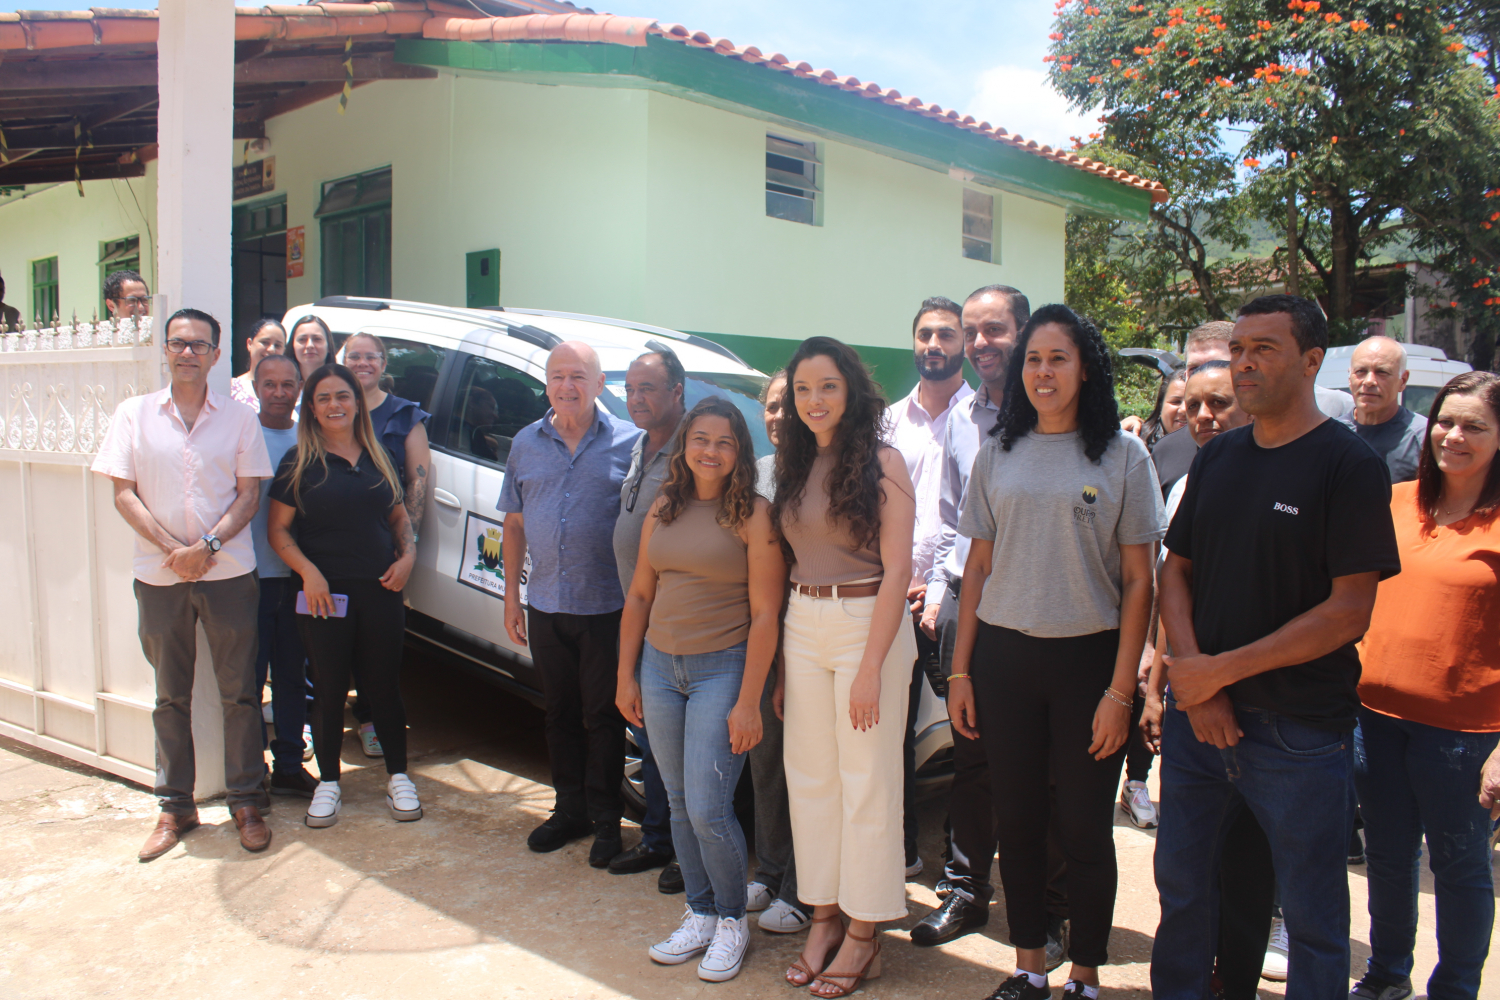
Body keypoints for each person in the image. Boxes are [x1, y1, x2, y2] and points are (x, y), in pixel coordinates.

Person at [1150, 294, 1401, 1000]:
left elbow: (1348, 611)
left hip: (1297, 733)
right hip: (1198, 729)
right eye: (1237, 349)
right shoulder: (1221, 454)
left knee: (1315, 918)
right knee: (1185, 897)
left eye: (1264, 349)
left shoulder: (1346, 465)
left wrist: (1214, 675)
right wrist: (1196, 686)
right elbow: (1178, 572)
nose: (1244, 363)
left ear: (1312, 360)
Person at [949, 304, 1163, 1000]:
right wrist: (960, 671)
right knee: (1017, 819)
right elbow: (976, 570)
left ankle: (1087, 975)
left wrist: (1121, 691)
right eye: (1033, 360)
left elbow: (1140, 582)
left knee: (1082, 829)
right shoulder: (999, 452)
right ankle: (1028, 967)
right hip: (1004, 661)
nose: (1043, 372)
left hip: (1088, 667)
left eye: (1058, 359)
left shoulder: (1124, 456)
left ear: (1085, 368)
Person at [917, 285, 1076, 963]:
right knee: (973, 758)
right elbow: (954, 519)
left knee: (1047, 770)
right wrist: (941, 596)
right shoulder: (961, 418)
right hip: (971, 609)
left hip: (1046, 615)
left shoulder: (1068, 416)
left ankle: (1049, 910)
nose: (981, 343)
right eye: (972, 332)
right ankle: (965, 888)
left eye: (995, 331)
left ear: (1026, 331)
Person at [90, 307, 274, 860]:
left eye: (199, 345)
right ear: (164, 351)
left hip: (229, 574)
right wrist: (176, 552)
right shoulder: (134, 414)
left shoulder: (240, 419)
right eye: (178, 344)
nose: (188, 352)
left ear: (218, 355)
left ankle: (246, 801)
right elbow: (124, 492)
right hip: (160, 574)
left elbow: (249, 495)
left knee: (240, 693)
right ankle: (175, 807)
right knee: (170, 696)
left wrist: (208, 548)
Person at [617, 396, 787, 982]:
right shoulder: (664, 505)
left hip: (724, 668)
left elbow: (767, 614)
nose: (710, 451)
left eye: (724, 442)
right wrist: (626, 674)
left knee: (712, 808)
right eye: (700, 439)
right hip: (661, 669)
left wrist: (749, 700)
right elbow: (639, 594)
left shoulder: (754, 515)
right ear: (685, 445)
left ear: (739, 452)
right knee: (682, 805)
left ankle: (733, 921)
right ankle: (701, 911)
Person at [773, 336, 917, 999]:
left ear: (852, 391)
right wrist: (780, 664)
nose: (813, 400)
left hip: (867, 624)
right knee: (813, 781)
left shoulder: (883, 463)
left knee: (867, 782)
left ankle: (866, 933)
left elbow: (897, 574)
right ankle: (825, 916)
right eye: (802, 389)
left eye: (826, 386)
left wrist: (871, 667)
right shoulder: (795, 463)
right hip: (803, 623)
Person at [1352, 371, 1500, 1000]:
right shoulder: (1396, 501)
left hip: (1463, 735)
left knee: (1461, 868)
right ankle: (1387, 977)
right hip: (1372, 720)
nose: (1454, 436)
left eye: (1474, 426)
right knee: (1386, 859)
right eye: (1445, 420)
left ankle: (1456, 990)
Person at [1140, 360, 1275, 1000]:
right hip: (1190, 700)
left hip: (1268, 710)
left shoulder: (1285, 475)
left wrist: (1213, 682)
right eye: (1192, 405)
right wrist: (1159, 687)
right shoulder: (1182, 483)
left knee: (1248, 864)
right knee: (1186, 870)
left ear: (1248, 401)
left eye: (1217, 403)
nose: (1202, 417)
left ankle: (1236, 982)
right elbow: (1173, 589)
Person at [499, 341, 639, 865]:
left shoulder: (631, 442)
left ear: (600, 385)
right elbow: (513, 524)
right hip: (547, 604)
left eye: (578, 376)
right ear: (546, 384)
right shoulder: (526, 443)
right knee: (558, 713)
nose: (566, 386)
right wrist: (512, 594)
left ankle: (607, 821)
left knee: (602, 718)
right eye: (557, 376)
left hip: (606, 608)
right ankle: (569, 809)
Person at [266, 363, 421, 828]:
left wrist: (408, 555)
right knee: (330, 690)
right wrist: (309, 572)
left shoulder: (378, 457)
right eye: (324, 398)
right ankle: (329, 783)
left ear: (357, 401)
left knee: (384, 688)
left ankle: (398, 777)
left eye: (343, 396)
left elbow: (397, 518)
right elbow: (277, 530)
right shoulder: (298, 462)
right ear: (311, 409)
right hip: (321, 598)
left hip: (380, 591)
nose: (335, 405)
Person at [885, 295, 974, 880]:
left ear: (964, 344)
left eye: (945, 334)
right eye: (924, 335)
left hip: (959, 600)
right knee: (890, 731)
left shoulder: (985, 417)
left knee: (969, 735)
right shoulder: (889, 420)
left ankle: (960, 865)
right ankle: (900, 850)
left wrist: (940, 586)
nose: (933, 345)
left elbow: (972, 517)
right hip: (892, 598)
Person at [609, 349, 687, 887]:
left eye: (650, 388)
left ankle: (688, 853)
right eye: (631, 388)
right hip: (640, 619)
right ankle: (658, 839)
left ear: (676, 391)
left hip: (682, 628)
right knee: (654, 739)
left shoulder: (694, 452)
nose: (637, 398)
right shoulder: (641, 445)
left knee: (685, 749)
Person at [342, 331, 434, 757]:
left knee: (375, 640)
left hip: (384, 541)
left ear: (383, 364)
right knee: (326, 632)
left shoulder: (404, 416)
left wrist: (407, 545)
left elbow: (417, 482)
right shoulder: (330, 406)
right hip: (332, 540)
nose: (363, 363)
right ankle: (316, 715)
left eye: (371, 357)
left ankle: (370, 717)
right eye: (354, 356)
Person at [744, 369, 811, 934]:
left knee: (805, 767)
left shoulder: (822, 475)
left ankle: (802, 888)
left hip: (811, 640)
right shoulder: (756, 476)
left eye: (791, 405)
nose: (780, 416)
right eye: (771, 405)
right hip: (760, 642)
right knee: (766, 762)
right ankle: (770, 870)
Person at [248, 353, 317, 797]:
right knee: (247, 681)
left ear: (299, 388)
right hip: (246, 579)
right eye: (269, 384)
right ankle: (251, 770)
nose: (278, 393)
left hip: (294, 578)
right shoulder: (239, 434)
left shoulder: (309, 439)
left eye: (287, 384)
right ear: (255, 387)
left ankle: (290, 765)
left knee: (293, 677)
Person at [1150, 321, 1234, 500]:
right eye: (1194, 369)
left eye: (1216, 365)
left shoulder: (1273, 446)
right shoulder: (1165, 451)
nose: (1203, 375)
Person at [1340, 335, 1426, 484]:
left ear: (1403, 380)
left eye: (1382, 372)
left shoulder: (1422, 438)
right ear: (1349, 378)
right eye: (1361, 371)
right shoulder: (1331, 434)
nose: (1369, 381)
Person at [231, 318, 288, 411]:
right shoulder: (231, 388)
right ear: (249, 344)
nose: (271, 349)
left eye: (277, 345)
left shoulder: (290, 389)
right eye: (265, 342)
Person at [289, 314, 337, 382]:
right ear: (292, 346)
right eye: (302, 339)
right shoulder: (283, 388)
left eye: (317, 339)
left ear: (328, 346)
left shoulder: (340, 385)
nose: (309, 345)